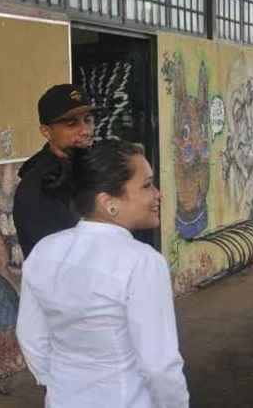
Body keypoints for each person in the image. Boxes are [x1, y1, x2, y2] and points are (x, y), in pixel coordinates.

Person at [16, 139, 189, 408]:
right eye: (147, 185)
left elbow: (31, 339)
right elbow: (159, 366)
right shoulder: (142, 262)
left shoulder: (45, 251)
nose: (158, 194)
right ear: (109, 202)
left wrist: (63, 386)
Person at [13, 84, 95, 258]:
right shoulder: (40, 184)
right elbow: (55, 257)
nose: (85, 131)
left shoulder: (89, 167)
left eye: (88, 120)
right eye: (72, 124)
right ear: (47, 132)